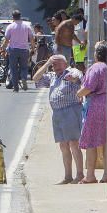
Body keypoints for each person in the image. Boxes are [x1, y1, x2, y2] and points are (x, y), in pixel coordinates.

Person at [33, 54, 84, 184]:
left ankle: (79, 174)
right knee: (63, 145)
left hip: (70, 110)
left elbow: (80, 80)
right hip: (57, 113)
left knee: (73, 143)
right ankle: (68, 176)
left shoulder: (72, 71)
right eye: (53, 64)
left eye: (56, 63)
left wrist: (73, 80)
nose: (54, 66)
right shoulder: (52, 76)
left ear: (64, 63)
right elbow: (36, 78)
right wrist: (46, 64)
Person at [77, 42, 107, 184]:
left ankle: (90, 175)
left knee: (91, 141)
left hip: (96, 105)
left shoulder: (95, 68)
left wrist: (78, 93)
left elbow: (88, 87)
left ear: (97, 55)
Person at [2, 10, 34, 92]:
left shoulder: (10, 26)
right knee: (24, 67)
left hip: (13, 50)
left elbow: (6, 40)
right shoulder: (27, 26)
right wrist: (33, 48)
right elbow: (31, 38)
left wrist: (3, 48)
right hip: (24, 49)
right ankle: (23, 78)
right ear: (20, 16)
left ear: (13, 17)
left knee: (13, 68)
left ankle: (16, 87)